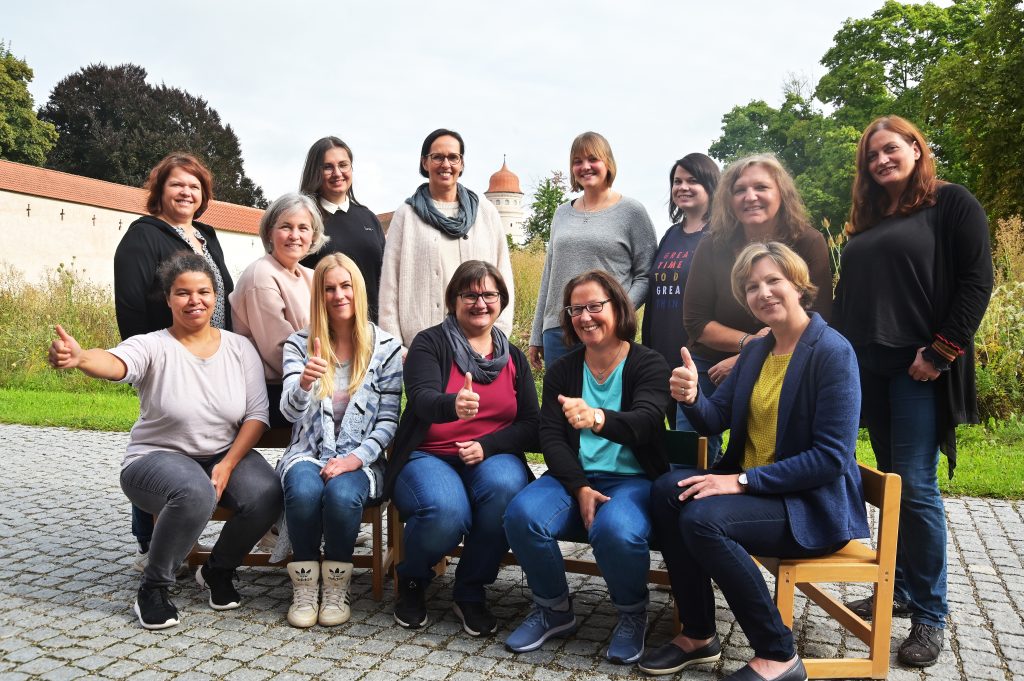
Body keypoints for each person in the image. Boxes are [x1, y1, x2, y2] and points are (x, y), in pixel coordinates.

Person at [640, 241, 866, 681]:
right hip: (760, 495)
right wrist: (692, 396)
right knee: (667, 491)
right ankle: (699, 634)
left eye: (772, 280)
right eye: (751, 286)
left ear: (798, 284)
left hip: (807, 504)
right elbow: (714, 419)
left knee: (702, 520)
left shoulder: (832, 352)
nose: (763, 292)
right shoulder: (758, 351)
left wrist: (740, 482)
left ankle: (779, 655)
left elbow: (831, 458)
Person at [49, 252, 282, 630]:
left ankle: (218, 570)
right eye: (183, 293)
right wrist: (80, 358)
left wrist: (227, 464)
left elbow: (257, 415)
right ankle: (154, 588)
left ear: (215, 297)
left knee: (268, 493)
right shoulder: (152, 345)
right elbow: (115, 363)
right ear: (168, 298)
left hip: (222, 452)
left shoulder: (240, 348)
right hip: (157, 457)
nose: (194, 301)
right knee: (195, 492)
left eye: (203, 292)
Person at [834, 115, 993, 667]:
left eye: (890, 149)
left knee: (917, 488)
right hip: (870, 368)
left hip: (918, 368)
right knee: (893, 484)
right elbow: (849, 296)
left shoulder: (951, 203)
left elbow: (977, 281)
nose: (881, 160)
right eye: (871, 156)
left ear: (916, 149)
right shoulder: (869, 220)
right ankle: (898, 588)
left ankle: (930, 614)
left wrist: (942, 351)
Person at [505, 270, 670, 664]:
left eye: (595, 306)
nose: (585, 316)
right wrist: (579, 487)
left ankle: (632, 614)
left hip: (633, 480)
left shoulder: (648, 363)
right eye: (575, 309)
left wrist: (597, 418)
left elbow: (646, 423)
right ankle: (553, 609)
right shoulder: (563, 370)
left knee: (615, 529)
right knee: (522, 515)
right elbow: (551, 437)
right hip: (573, 479)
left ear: (618, 307)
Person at [385, 261, 537, 636]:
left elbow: (530, 424)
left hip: (491, 455)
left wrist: (487, 445)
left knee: (507, 491)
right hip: (429, 453)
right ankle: (412, 579)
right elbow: (421, 399)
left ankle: (470, 590)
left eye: (489, 295)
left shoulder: (513, 357)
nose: (480, 303)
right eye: (470, 294)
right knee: (446, 510)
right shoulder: (430, 343)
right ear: (454, 300)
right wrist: (451, 404)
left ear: (501, 300)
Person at [113, 152, 236, 571]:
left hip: (212, 355)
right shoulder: (144, 236)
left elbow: (223, 293)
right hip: (166, 357)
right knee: (163, 438)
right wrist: (144, 360)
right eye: (177, 184)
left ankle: (182, 526)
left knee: (205, 430)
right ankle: (150, 542)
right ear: (160, 190)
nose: (186, 192)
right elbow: (130, 303)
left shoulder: (206, 235)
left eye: (194, 186)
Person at [271, 254, 403, 628]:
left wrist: (354, 459)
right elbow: (289, 414)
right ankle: (304, 587)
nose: (338, 295)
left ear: (357, 289)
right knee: (303, 489)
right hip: (308, 452)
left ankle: (335, 588)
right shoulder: (299, 344)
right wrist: (304, 383)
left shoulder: (386, 347)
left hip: (363, 458)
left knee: (343, 494)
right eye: (329, 288)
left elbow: (388, 421)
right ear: (319, 295)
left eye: (346, 286)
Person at [682, 153, 831, 462]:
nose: (750, 197)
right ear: (728, 199)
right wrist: (751, 346)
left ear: (781, 193)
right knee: (685, 459)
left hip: (786, 361)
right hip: (710, 363)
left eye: (761, 187)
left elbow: (816, 319)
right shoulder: (712, 244)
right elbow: (696, 320)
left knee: (777, 450)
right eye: (740, 190)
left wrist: (746, 359)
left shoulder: (808, 242)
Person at [529, 132, 656, 370]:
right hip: (558, 330)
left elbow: (646, 274)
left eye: (593, 159)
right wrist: (537, 333)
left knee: (607, 394)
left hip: (607, 329)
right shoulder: (562, 213)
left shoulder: (632, 212)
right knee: (561, 394)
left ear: (607, 162)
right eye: (577, 161)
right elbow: (549, 275)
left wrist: (618, 312)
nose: (585, 166)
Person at [379, 129, 515, 348]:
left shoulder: (485, 213)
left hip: (479, 344)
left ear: (462, 163)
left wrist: (498, 334)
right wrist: (396, 348)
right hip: (421, 346)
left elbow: (503, 276)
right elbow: (390, 287)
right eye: (437, 157)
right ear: (425, 162)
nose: (446, 164)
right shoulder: (407, 215)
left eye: (453, 157)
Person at [231, 193, 327, 428]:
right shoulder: (262, 275)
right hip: (274, 391)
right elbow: (279, 352)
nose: (295, 235)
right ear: (269, 233)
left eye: (303, 228)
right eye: (286, 227)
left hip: (307, 379)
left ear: (313, 235)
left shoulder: (310, 275)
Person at [640, 153, 720, 426]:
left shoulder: (720, 235)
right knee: (673, 434)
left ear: (710, 186)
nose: (683, 187)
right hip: (661, 352)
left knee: (695, 438)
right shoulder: (671, 235)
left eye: (692, 180)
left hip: (699, 358)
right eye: (677, 181)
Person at [298, 137, 387, 323]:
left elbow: (386, 278)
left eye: (343, 165)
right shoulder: (305, 220)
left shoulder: (369, 218)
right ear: (315, 172)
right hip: (325, 330)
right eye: (328, 167)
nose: (337, 173)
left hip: (374, 329)